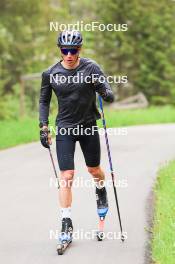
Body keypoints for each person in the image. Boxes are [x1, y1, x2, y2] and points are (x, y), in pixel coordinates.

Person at [39, 30, 114, 244]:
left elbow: (109, 94)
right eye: (65, 50)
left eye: (73, 50)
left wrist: (104, 91)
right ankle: (66, 221)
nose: (69, 54)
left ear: (79, 50)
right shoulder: (51, 73)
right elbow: (44, 101)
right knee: (67, 175)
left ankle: (101, 189)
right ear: (60, 50)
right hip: (64, 128)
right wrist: (43, 126)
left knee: (93, 170)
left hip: (89, 126)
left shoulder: (91, 67)